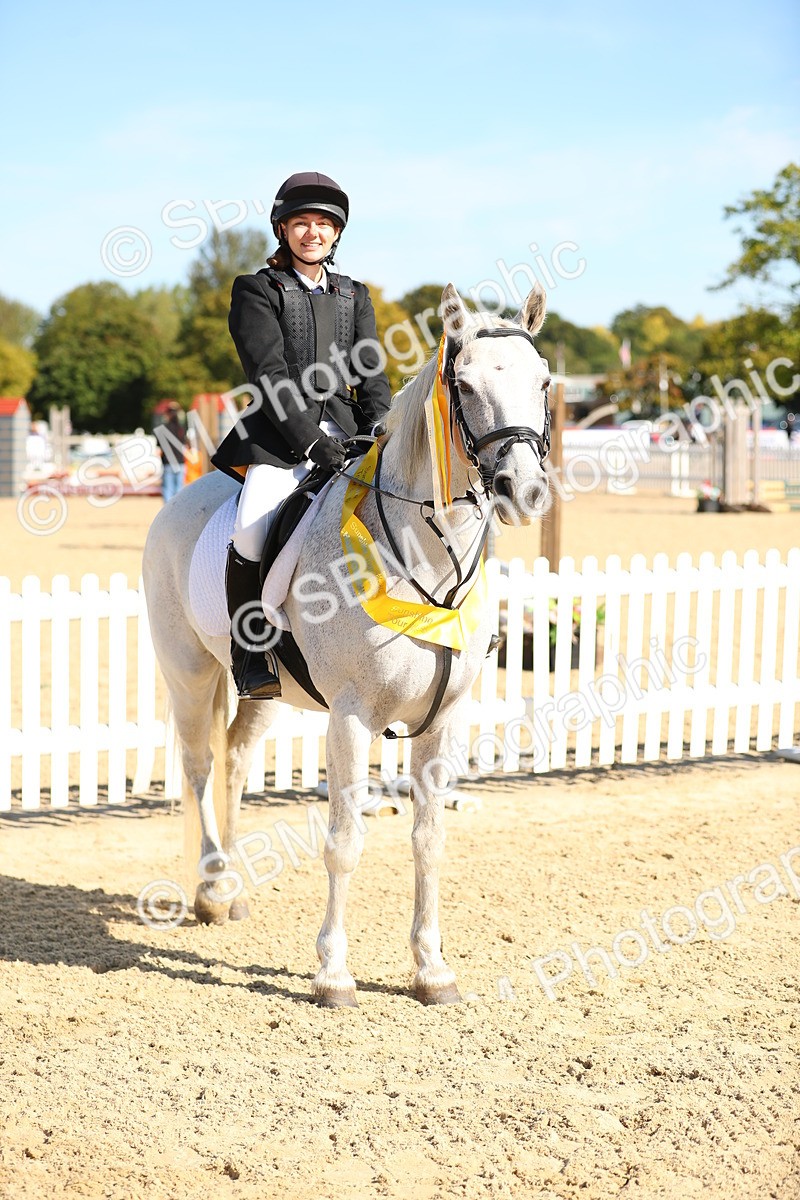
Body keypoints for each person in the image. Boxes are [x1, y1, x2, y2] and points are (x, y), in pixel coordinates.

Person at [211, 172, 392, 699]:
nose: (313, 232)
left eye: (324, 224)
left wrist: (377, 428)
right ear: (283, 230)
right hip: (281, 437)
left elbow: (371, 375)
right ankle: (250, 654)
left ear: (336, 233)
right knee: (251, 528)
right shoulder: (257, 290)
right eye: (302, 223)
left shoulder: (354, 294)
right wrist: (311, 441)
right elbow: (267, 374)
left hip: (350, 434)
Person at [154, 402, 187, 503]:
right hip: (180, 463)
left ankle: (168, 511)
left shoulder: (162, 430)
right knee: (179, 490)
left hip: (168, 463)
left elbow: (159, 450)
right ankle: (178, 510)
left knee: (168, 490)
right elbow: (185, 446)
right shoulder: (181, 429)